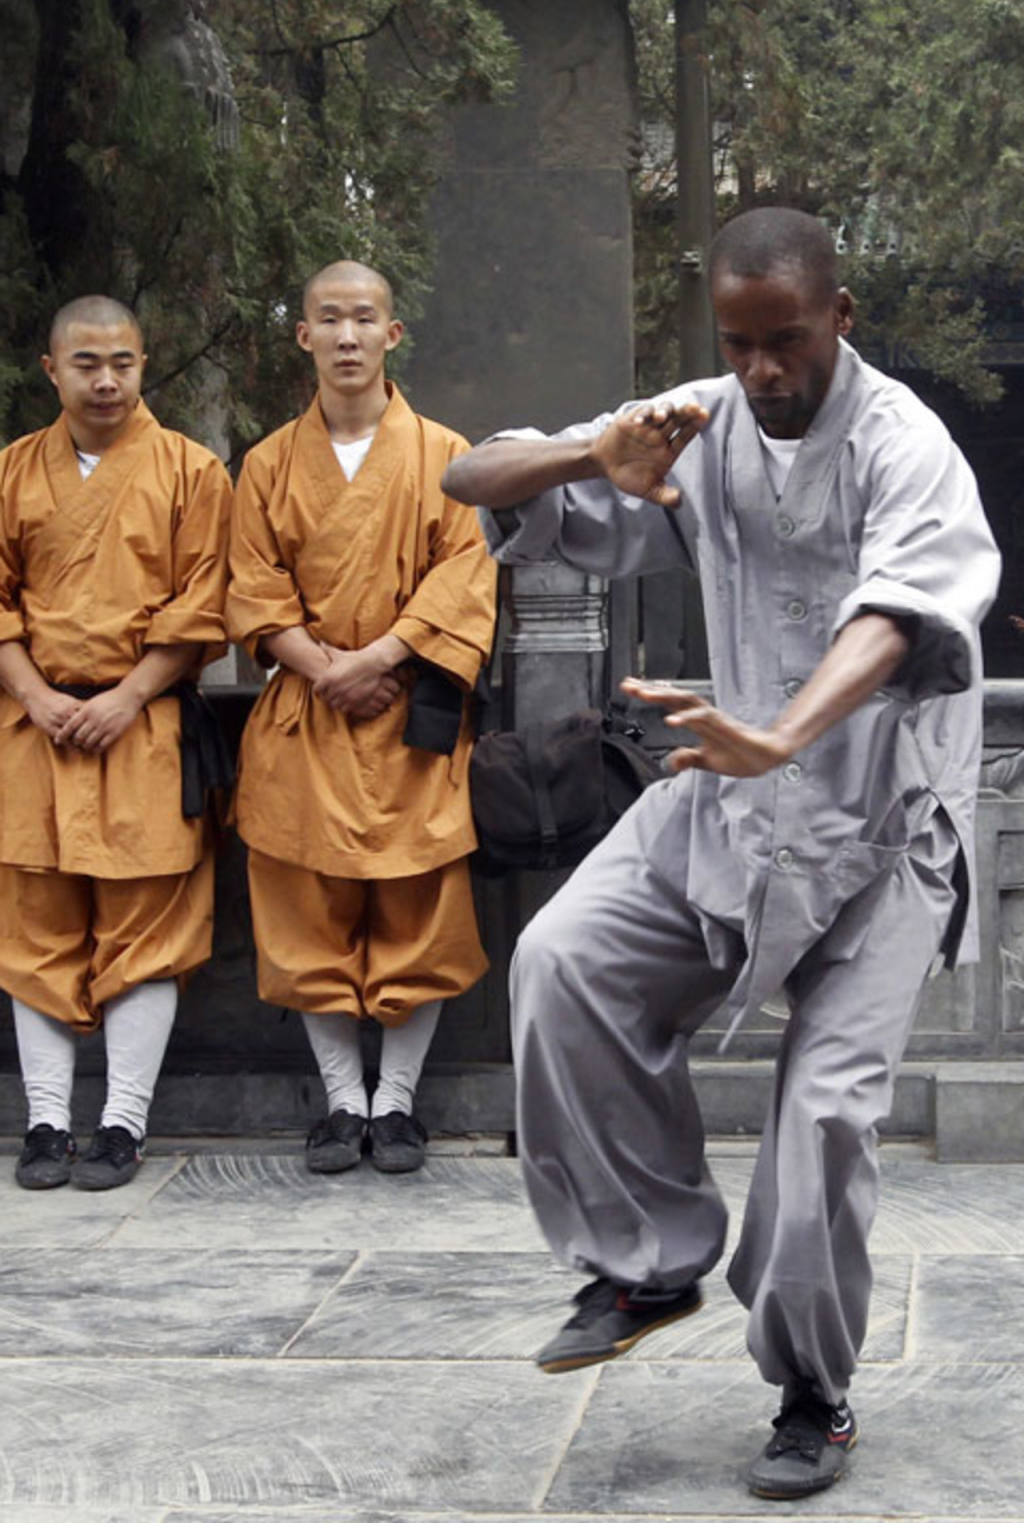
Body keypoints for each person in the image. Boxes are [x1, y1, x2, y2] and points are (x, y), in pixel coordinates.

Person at [442, 207, 1001, 1500]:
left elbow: (896, 618)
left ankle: (813, 1387)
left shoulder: (906, 448)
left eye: (786, 343)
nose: (762, 373)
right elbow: (472, 479)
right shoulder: (702, 420)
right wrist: (597, 450)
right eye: (740, 344)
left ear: (840, 320)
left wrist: (783, 732)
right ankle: (646, 1261)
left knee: (825, 1114)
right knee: (566, 963)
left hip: (880, 824)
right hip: (728, 797)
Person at [227, 260, 496, 1176]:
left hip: (406, 710)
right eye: (330, 320)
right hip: (307, 713)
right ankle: (343, 1103)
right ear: (304, 336)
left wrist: (378, 659)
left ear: (393, 335)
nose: (348, 337)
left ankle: (398, 1103)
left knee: (418, 909)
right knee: (307, 913)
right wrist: (327, 668)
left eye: (365, 319)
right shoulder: (265, 464)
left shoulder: (448, 455)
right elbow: (252, 590)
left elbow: (465, 577)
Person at [0, 296, 232, 1191]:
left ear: (144, 365)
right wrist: (34, 692)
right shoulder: (13, 472)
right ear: (50, 369)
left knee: (148, 928)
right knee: (34, 930)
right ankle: (46, 1124)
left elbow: (206, 601)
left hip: (145, 725)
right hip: (35, 730)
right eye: (87, 363)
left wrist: (131, 695)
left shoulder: (190, 470)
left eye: (123, 363)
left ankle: (122, 1123)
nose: (106, 380)